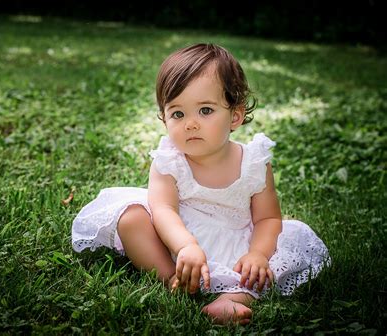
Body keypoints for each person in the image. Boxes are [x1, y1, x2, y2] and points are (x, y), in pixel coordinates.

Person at [71, 43, 329, 325]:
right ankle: (172, 277)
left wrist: (257, 253)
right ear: (164, 117)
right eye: (178, 114)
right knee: (131, 218)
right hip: (175, 237)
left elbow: (267, 218)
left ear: (235, 116)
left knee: (274, 259)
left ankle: (232, 299)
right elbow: (163, 210)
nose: (190, 124)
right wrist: (185, 246)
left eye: (205, 110)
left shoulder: (254, 162)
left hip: (238, 241)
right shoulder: (169, 160)